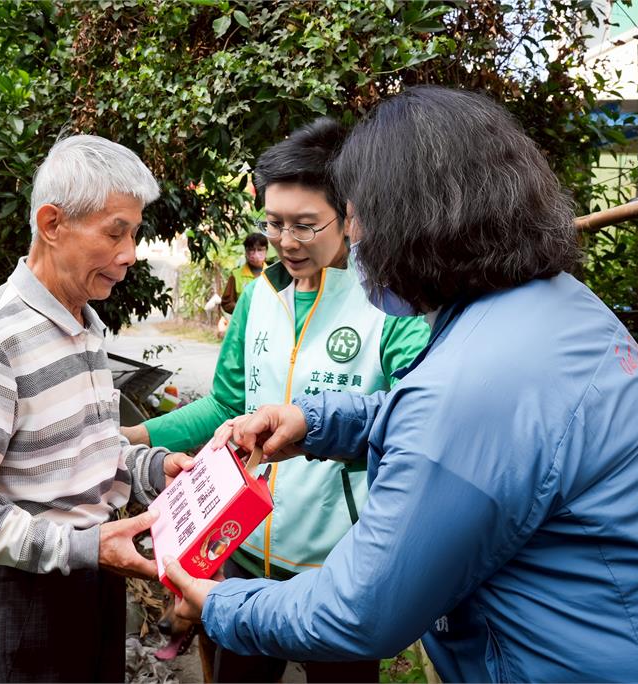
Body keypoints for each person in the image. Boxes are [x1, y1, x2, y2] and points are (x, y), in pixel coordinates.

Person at [165, 87, 638, 682]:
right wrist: (320, 421)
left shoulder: (478, 382)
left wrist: (220, 604)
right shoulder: (554, 308)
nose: (355, 234)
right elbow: (477, 436)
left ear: (412, 219)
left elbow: (358, 611)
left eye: (358, 214)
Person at [123, 117, 429, 682]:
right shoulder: (260, 299)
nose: (285, 242)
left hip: (340, 570)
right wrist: (133, 438)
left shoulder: (391, 308)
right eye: (274, 224)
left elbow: (417, 424)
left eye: (306, 225)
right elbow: (223, 405)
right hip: (241, 557)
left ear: (351, 214)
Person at [0, 135, 194, 683]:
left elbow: (88, 452)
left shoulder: (85, 323)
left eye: (134, 233)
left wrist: (152, 467)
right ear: (52, 224)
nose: (130, 253)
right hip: (27, 598)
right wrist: (78, 546)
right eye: (116, 231)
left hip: (94, 576)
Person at [219, 232, 268, 315]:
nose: (256, 254)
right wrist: (244, 309)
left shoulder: (273, 274)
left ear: (266, 251)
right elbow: (227, 303)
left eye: (260, 250)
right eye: (251, 250)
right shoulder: (236, 275)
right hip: (243, 324)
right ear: (246, 252)